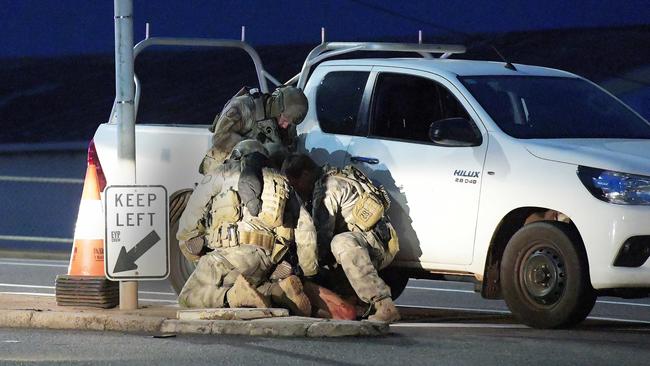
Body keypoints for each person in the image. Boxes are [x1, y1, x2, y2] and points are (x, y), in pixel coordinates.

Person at [176, 140, 318, 316]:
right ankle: (277, 291)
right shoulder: (282, 181)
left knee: (188, 297)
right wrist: (309, 271)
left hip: (228, 256)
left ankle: (234, 297)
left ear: (236, 155)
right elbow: (306, 227)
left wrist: (195, 255)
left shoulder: (221, 173)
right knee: (254, 284)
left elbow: (188, 225)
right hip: (266, 262)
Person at [282, 154, 401, 323]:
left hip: (373, 248)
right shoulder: (331, 175)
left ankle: (385, 306)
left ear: (306, 174)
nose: (297, 190)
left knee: (340, 243)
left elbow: (321, 240)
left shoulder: (328, 190)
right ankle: (353, 300)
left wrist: (303, 268)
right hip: (373, 243)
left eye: (296, 183)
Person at [199, 85, 308, 174]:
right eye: (284, 120)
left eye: (289, 123)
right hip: (224, 170)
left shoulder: (286, 124)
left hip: (257, 174)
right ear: (277, 107)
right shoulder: (242, 107)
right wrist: (261, 149)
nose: (285, 126)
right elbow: (220, 139)